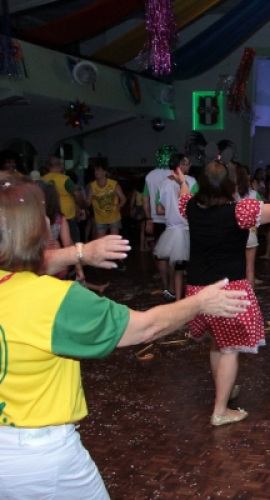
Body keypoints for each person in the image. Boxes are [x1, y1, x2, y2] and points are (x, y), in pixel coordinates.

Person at [0, 172, 251, 498]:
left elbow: (19, 264)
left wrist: (79, 253)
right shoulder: (56, 301)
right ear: (36, 231)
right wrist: (200, 303)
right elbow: (145, 327)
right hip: (42, 458)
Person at [175, 158, 270, 426]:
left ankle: (224, 392)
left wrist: (183, 182)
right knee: (230, 348)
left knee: (217, 342)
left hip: (197, 290)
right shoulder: (239, 211)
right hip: (227, 290)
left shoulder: (190, 207)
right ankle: (220, 410)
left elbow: (184, 195)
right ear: (229, 185)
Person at [154, 154, 197, 302]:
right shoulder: (192, 182)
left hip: (171, 230)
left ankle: (175, 295)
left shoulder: (163, 184)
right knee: (191, 267)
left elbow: (159, 210)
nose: (189, 166)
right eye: (187, 163)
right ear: (180, 166)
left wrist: (172, 210)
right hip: (188, 229)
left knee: (177, 266)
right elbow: (197, 206)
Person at [143, 157, 174, 300]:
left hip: (156, 219)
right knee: (173, 255)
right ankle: (173, 287)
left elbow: (145, 199)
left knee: (161, 255)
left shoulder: (150, 176)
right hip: (173, 219)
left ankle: (165, 286)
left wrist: (148, 218)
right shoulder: (174, 174)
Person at [42, 155, 84, 244]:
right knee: (73, 245)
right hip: (67, 217)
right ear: (60, 166)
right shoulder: (65, 179)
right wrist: (82, 205)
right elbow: (76, 194)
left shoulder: (42, 180)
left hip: (49, 218)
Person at [86, 164, 127, 240]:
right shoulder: (92, 186)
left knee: (114, 241)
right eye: (95, 170)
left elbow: (123, 198)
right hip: (100, 218)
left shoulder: (113, 184)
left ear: (104, 172)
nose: (96, 172)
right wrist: (82, 206)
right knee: (101, 242)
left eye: (98, 170)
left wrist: (120, 205)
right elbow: (88, 201)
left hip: (113, 217)